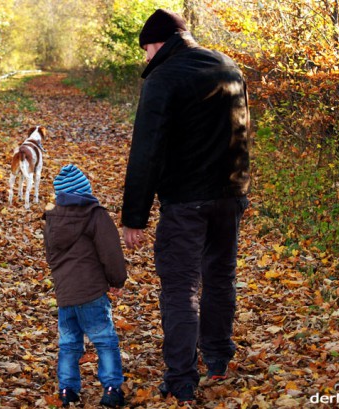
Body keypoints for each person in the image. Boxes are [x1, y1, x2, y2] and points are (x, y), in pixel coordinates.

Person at [121, 8, 251, 404]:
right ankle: (218, 357)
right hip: (229, 197)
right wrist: (240, 191)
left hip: (186, 203)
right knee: (220, 277)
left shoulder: (163, 79)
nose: (145, 58)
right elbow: (242, 131)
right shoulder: (228, 66)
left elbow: (147, 151)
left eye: (146, 49)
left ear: (158, 43)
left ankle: (181, 378)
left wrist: (134, 218)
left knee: (180, 287)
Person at [43, 164, 128, 408]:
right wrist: (117, 280)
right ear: (85, 191)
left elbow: (50, 255)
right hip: (91, 292)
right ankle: (112, 388)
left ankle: (67, 390)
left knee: (69, 343)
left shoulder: (51, 218)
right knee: (104, 340)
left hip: (65, 294)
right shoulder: (95, 214)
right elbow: (110, 251)